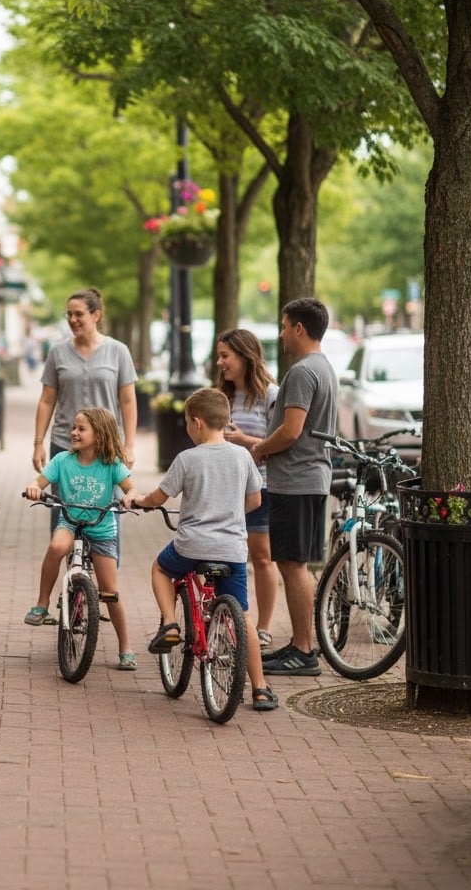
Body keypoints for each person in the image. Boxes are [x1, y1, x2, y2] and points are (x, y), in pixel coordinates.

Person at [129, 388, 278, 711]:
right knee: (244, 616)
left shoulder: (187, 459)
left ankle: (169, 622)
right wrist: (230, 513)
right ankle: (261, 688)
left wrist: (140, 500)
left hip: (193, 545)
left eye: (186, 423)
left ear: (197, 423)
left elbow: (160, 497)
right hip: (233, 549)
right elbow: (254, 500)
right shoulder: (241, 456)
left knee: (160, 569)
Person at [252, 298, 338, 677]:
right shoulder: (323, 367)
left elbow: (290, 430)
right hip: (307, 478)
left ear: (299, 328)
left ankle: (303, 649)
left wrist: (259, 448)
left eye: (285, 326)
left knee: (292, 563)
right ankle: (299, 645)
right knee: (291, 561)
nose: (282, 332)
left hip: (297, 479)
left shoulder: (303, 372)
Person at [24, 407, 138, 670]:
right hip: (70, 521)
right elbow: (39, 482)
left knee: (110, 592)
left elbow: (131, 487)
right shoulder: (63, 460)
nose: (74, 432)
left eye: (81, 429)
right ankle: (42, 603)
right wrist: (34, 488)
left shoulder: (111, 465)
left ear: (100, 434)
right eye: (73, 427)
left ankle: (125, 647)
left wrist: (130, 496)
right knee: (56, 547)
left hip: (101, 528)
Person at [32, 288, 138, 532]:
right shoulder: (58, 352)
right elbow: (47, 400)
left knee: (106, 510)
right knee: (63, 510)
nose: (72, 320)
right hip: (65, 441)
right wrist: (38, 443)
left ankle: (107, 564)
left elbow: (128, 401)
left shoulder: (118, 351)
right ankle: (70, 565)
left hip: (106, 445)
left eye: (79, 314)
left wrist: (129, 445)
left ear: (96, 315)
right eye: (69, 314)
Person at [215, 329, 279, 649]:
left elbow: (281, 444)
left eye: (226, 356)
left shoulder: (270, 395)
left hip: (259, 487)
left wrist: (244, 441)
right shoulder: (221, 397)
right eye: (220, 356)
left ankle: (263, 626)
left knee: (261, 556)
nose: (220, 362)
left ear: (244, 356)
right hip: (225, 489)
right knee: (225, 553)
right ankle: (227, 619)